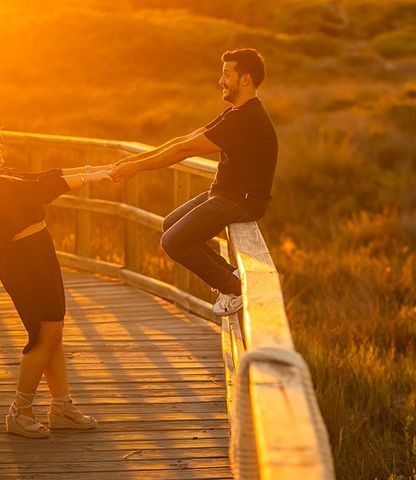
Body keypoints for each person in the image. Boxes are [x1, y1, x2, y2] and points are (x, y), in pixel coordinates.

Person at [110, 48, 278, 316]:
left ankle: (234, 289)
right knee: (171, 224)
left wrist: (136, 168)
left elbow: (184, 152)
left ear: (244, 79)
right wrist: (136, 160)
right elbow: (185, 141)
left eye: (226, 74)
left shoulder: (246, 119)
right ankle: (230, 274)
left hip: (242, 201)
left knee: (173, 241)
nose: (221, 80)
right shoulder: (236, 113)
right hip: (225, 194)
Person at [1, 155, 112, 438]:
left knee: (54, 331)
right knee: (43, 333)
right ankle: (20, 410)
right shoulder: (3, 184)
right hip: (20, 258)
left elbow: (41, 177)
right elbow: (41, 189)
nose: (2, 148)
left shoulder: (6, 176)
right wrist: (90, 177)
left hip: (37, 250)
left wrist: (93, 168)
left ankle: (61, 407)